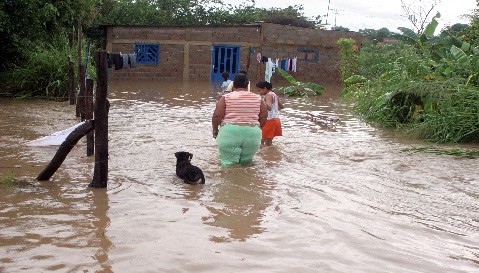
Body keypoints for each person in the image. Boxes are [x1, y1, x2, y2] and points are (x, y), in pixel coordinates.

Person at [212, 73, 268, 168]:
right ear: (247, 85)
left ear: (233, 85)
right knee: (246, 164)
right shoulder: (259, 99)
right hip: (253, 134)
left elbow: (217, 116)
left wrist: (215, 130)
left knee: (229, 165)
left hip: (230, 132)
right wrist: (257, 129)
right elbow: (263, 118)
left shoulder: (226, 97)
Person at [256, 81, 284, 148]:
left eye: (259, 90)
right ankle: (270, 156)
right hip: (276, 120)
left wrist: (261, 100)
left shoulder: (268, 95)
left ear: (265, 88)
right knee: (268, 143)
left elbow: (269, 107)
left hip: (270, 120)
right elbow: (282, 107)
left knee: (260, 142)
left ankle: (263, 157)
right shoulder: (274, 94)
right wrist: (275, 111)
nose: (259, 92)